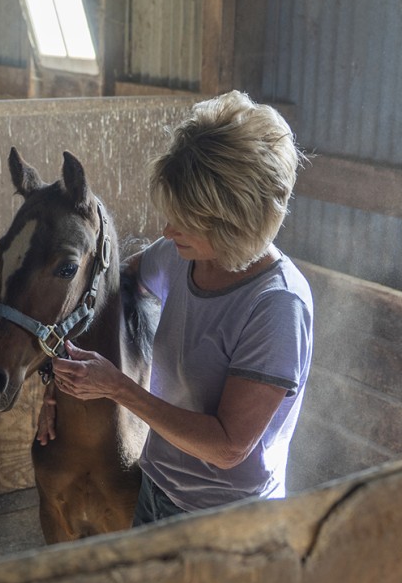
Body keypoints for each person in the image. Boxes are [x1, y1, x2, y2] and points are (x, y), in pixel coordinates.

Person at [43, 90, 314, 526]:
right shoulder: (182, 254)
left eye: (185, 220)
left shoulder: (277, 306)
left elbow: (228, 447)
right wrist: (60, 387)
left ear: (234, 222)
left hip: (227, 522)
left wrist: (116, 388)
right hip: (157, 488)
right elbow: (114, 297)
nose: (167, 229)